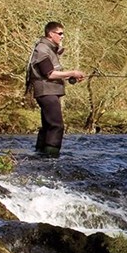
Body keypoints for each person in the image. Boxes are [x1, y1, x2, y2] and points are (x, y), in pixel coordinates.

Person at [25, 21, 86, 157]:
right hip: (46, 92)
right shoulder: (42, 49)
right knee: (56, 126)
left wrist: (71, 76)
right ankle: (51, 157)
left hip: (50, 91)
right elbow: (50, 74)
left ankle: (40, 156)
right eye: (60, 33)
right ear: (50, 34)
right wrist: (72, 72)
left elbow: (51, 74)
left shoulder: (49, 49)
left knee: (47, 126)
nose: (62, 36)